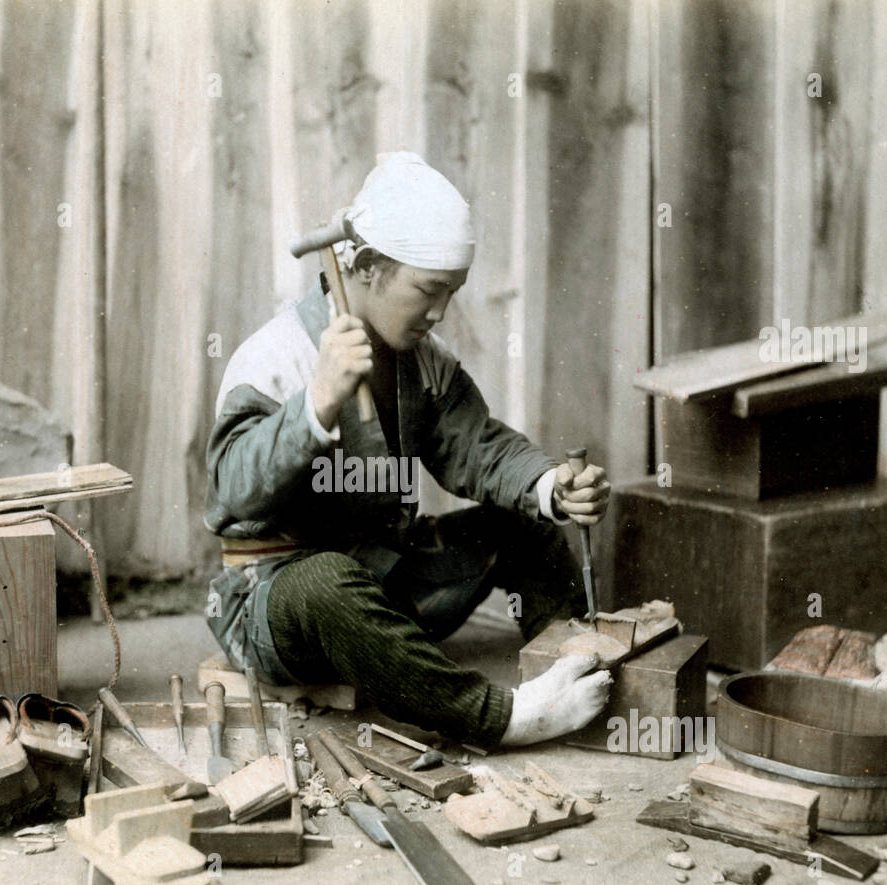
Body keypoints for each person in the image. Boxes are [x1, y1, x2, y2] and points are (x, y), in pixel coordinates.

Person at [204, 152, 612, 749]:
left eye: (452, 292)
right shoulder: (275, 357)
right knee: (327, 581)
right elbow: (233, 488)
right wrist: (314, 406)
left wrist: (552, 486)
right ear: (367, 265)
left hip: (387, 581)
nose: (440, 311)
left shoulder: (426, 363)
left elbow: (478, 447)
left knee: (523, 525)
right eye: (429, 289)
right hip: (282, 606)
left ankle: (572, 663)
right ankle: (505, 716)